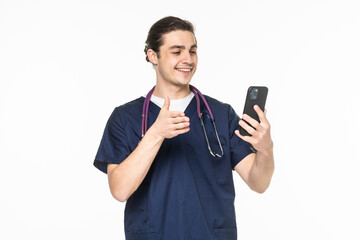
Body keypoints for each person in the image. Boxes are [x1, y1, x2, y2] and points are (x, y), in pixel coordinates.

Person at [94, 16, 274, 240]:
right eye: (176, 51)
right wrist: (156, 133)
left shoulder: (220, 114)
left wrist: (265, 148)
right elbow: (120, 190)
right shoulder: (125, 118)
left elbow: (259, 183)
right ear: (153, 56)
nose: (188, 59)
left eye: (193, 50)